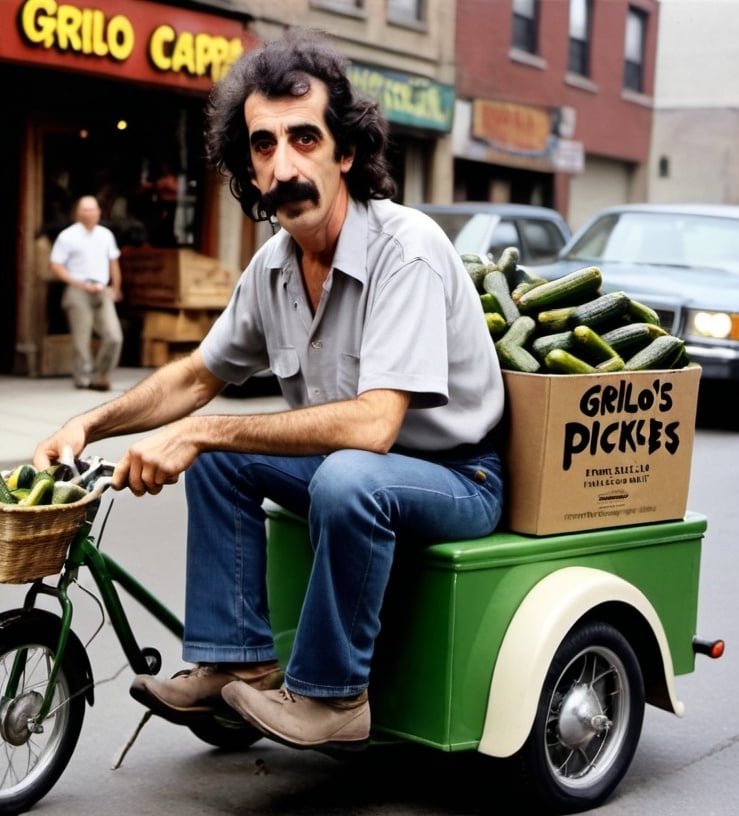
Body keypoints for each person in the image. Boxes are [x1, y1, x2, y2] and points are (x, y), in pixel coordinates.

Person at [33, 27, 504, 752]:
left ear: (346, 152)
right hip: (362, 472)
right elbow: (196, 375)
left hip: (459, 476)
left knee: (334, 471)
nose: (284, 166)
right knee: (219, 463)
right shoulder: (275, 266)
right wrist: (88, 426)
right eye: (262, 146)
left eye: (305, 139)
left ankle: (335, 697)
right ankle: (238, 663)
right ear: (246, 168)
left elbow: (376, 426)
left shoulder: (404, 249)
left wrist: (205, 429)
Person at [48, 195, 124, 391]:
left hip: (101, 289)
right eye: (85, 210)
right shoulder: (68, 236)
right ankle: (82, 377)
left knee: (114, 336)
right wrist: (77, 283)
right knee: (82, 339)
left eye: (93, 209)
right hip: (78, 289)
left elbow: (113, 262)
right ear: (78, 213)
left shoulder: (105, 234)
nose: (90, 214)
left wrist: (116, 288)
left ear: (99, 212)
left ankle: (101, 376)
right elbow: (56, 266)